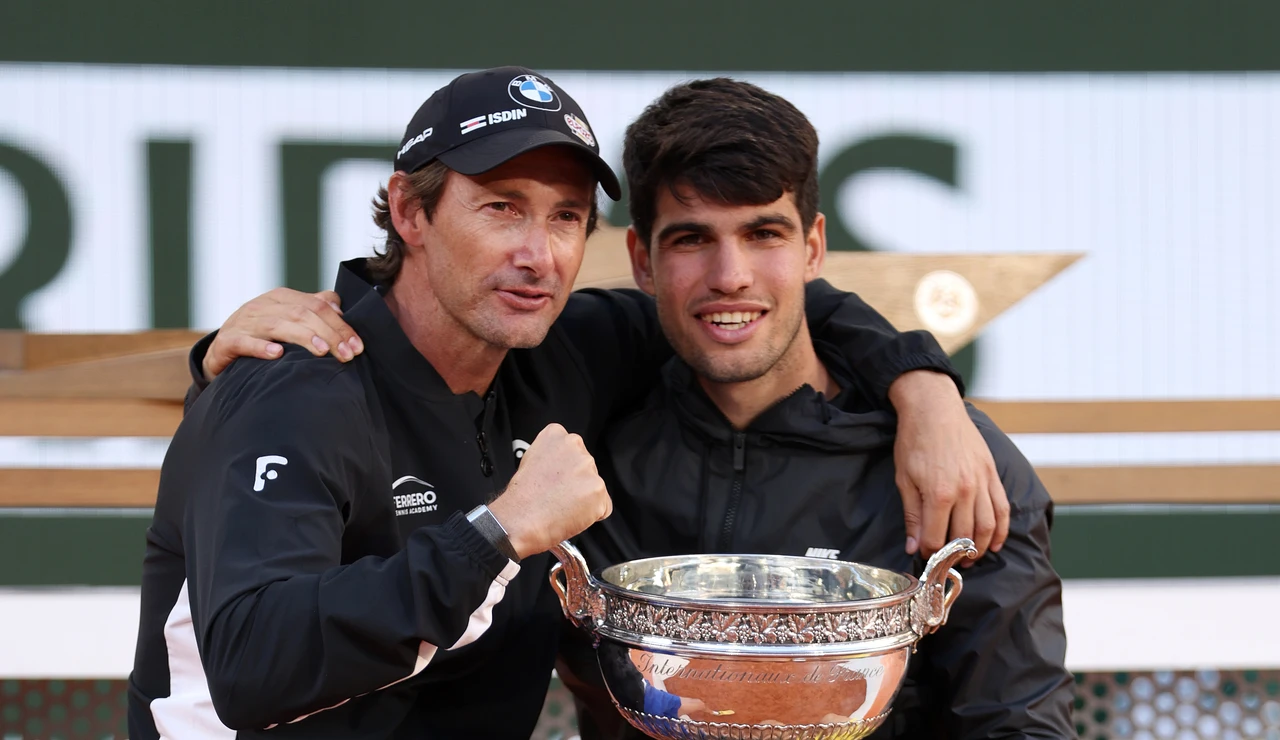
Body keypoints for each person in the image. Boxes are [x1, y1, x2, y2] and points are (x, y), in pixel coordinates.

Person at [129, 67, 1001, 740]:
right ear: (409, 211)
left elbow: (748, 307)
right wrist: (498, 534)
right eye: (501, 209)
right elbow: (253, 666)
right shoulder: (293, 385)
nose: (536, 254)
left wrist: (922, 387)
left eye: (565, 217)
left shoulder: (557, 350)